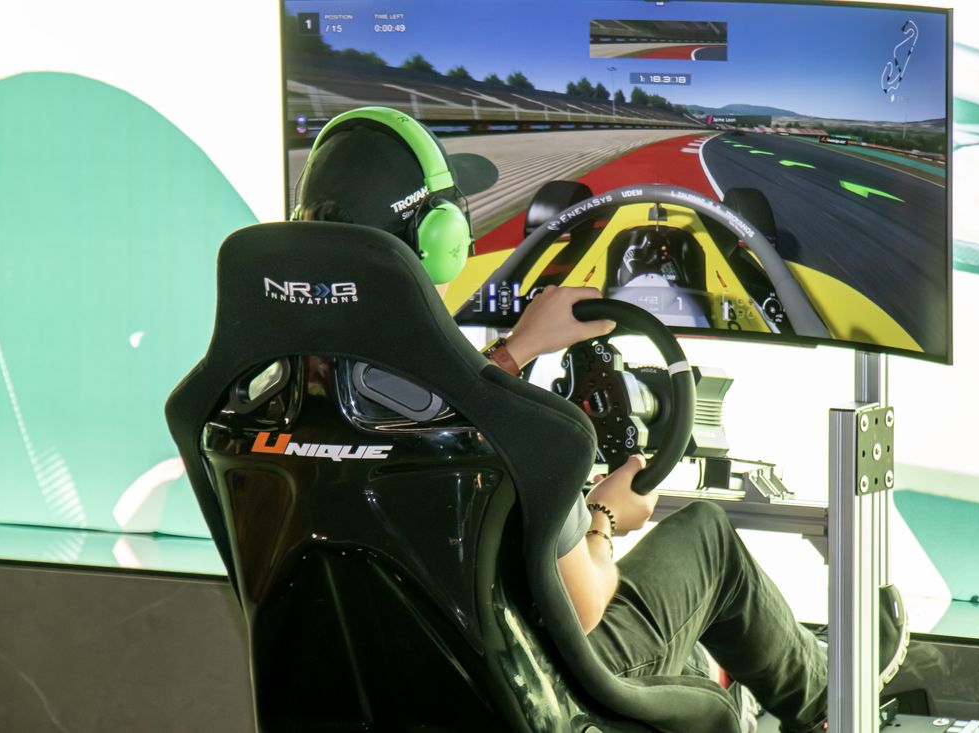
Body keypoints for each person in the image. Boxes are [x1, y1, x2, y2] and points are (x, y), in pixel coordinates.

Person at [296, 107, 908, 733]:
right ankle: (832, 699)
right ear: (440, 240)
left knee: (685, 649)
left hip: (368, 696)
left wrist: (514, 352)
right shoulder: (522, 431)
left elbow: (433, 412)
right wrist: (606, 516)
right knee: (707, 538)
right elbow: (585, 604)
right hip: (533, 694)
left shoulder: (270, 397)